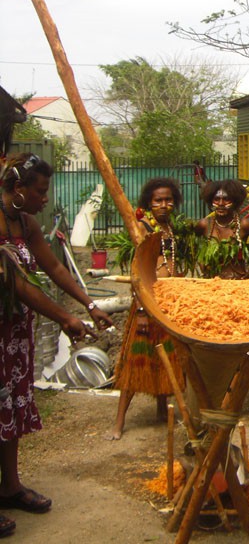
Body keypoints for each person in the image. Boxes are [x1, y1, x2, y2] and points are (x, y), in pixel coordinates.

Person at [0, 153, 111, 532]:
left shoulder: (26, 224)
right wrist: (64, 317)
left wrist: (89, 304)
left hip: (14, 334)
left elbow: (55, 267)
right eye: (40, 191)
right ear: (17, 190)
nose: (45, 198)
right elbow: (17, 284)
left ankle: (10, 487)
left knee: (12, 406)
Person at [107, 177, 187, 441]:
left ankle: (162, 411)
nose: (164, 205)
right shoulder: (142, 227)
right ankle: (118, 423)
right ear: (148, 203)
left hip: (166, 304)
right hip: (147, 304)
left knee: (165, 358)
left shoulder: (169, 227)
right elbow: (139, 270)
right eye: (158, 201)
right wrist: (141, 311)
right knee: (136, 363)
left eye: (168, 200)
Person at [194, 179, 249, 279]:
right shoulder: (204, 225)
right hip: (212, 284)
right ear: (211, 200)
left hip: (238, 282)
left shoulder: (244, 225)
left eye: (226, 199)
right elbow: (191, 243)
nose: (221, 203)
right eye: (216, 199)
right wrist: (200, 260)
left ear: (235, 201)